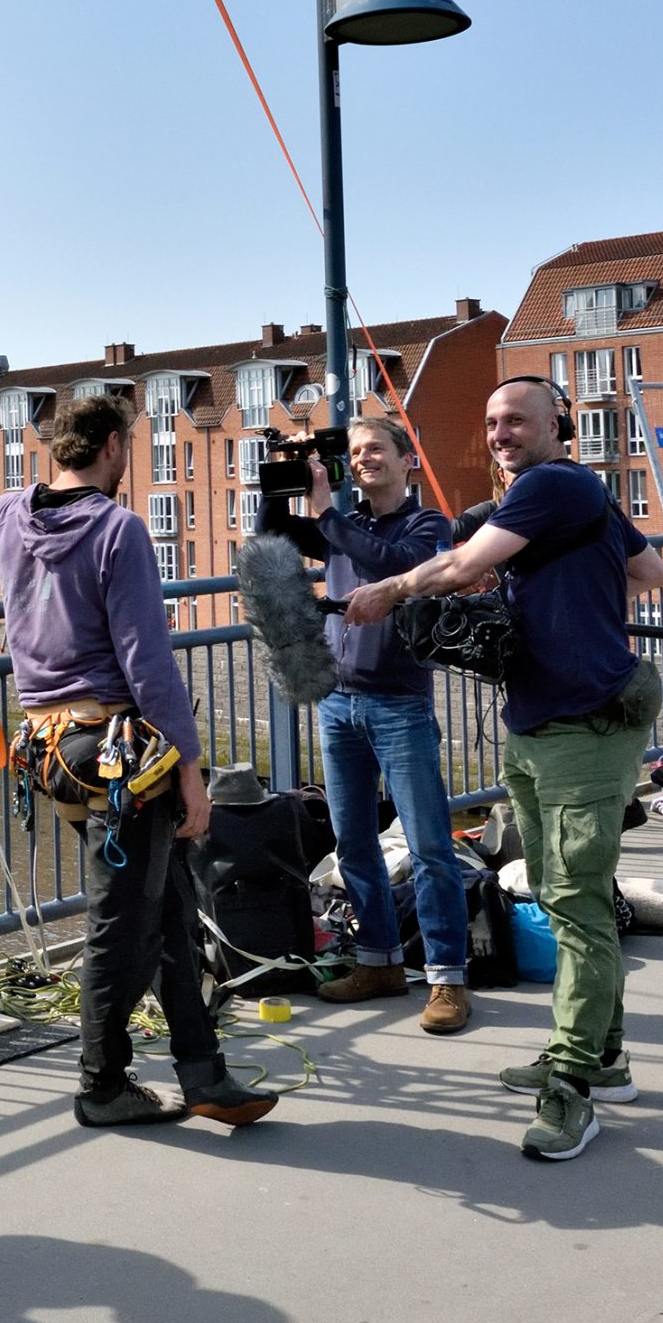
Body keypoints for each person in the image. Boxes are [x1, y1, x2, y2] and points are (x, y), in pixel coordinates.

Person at [0, 389, 275, 1128]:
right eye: (128, 446)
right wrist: (191, 769)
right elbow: (148, 662)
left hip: (52, 748)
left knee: (170, 911)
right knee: (121, 926)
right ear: (114, 446)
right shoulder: (119, 529)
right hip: (118, 752)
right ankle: (101, 1086)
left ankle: (203, 1073)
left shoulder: (10, 517)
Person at [347, 376, 663, 1162]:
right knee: (564, 897)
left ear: (558, 424)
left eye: (516, 420)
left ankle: (573, 1086)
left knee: (577, 904)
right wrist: (570, 589)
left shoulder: (554, 485)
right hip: (536, 723)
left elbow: (460, 570)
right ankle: (605, 1057)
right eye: (492, 422)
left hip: (582, 727)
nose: (500, 433)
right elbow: (650, 571)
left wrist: (391, 588)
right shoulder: (580, 499)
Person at [257, 417, 467, 1029]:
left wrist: (327, 512)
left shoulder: (428, 526)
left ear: (407, 460)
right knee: (352, 842)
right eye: (354, 453)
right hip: (337, 702)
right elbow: (270, 534)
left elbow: (391, 562)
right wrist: (283, 480)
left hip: (399, 704)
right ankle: (380, 961)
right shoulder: (347, 525)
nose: (364, 459)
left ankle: (448, 978)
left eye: (376, 449)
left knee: (429, 846)